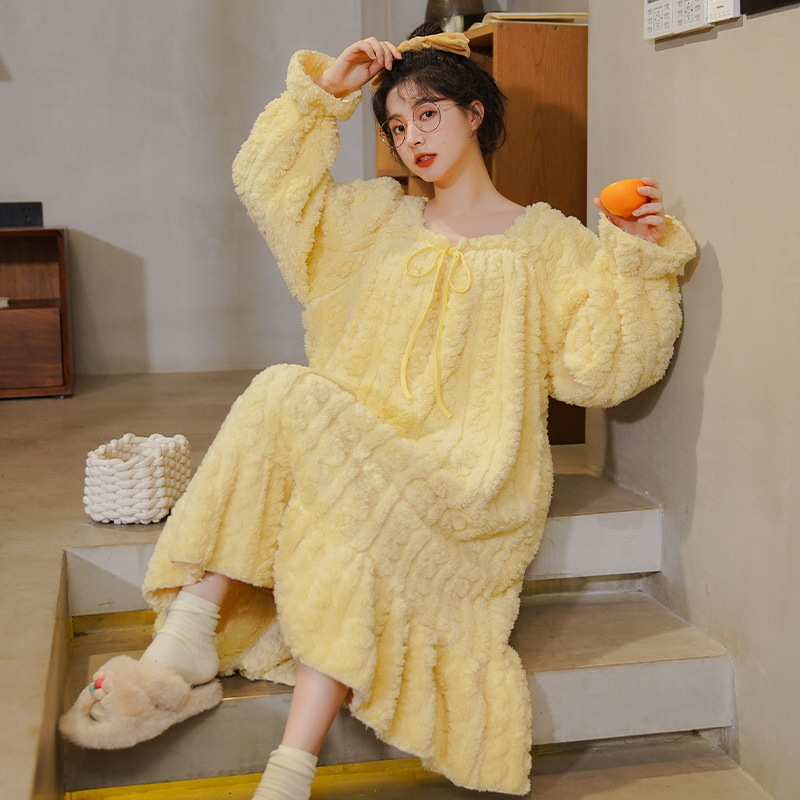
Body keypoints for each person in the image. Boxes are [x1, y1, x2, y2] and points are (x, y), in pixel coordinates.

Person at [61, 21, 696, 800]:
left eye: (428, 113)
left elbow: (604, 370)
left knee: (303, 430)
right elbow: (268, 183)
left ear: (474, 113)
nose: (412, 136)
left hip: (471, 481)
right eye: (396, 125)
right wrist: (324, 95)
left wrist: (636, 258)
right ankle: (287, 767)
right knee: (312, 452)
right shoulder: (373, 221)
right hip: (360, 449)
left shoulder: (550, 243)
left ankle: (193, 641)